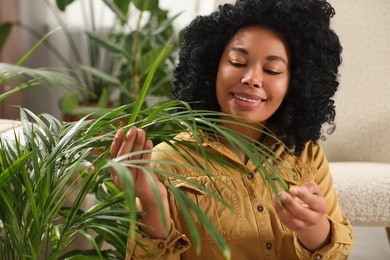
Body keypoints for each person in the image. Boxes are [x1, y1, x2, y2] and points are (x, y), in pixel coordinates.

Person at [110, 0, 355, 259]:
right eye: (237, 62)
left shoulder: (307, 155)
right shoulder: (167, 162)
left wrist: (315, 228)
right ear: (213, 67)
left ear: (294, 83)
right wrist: (152, 203)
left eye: (272, 69)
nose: (252, 78)